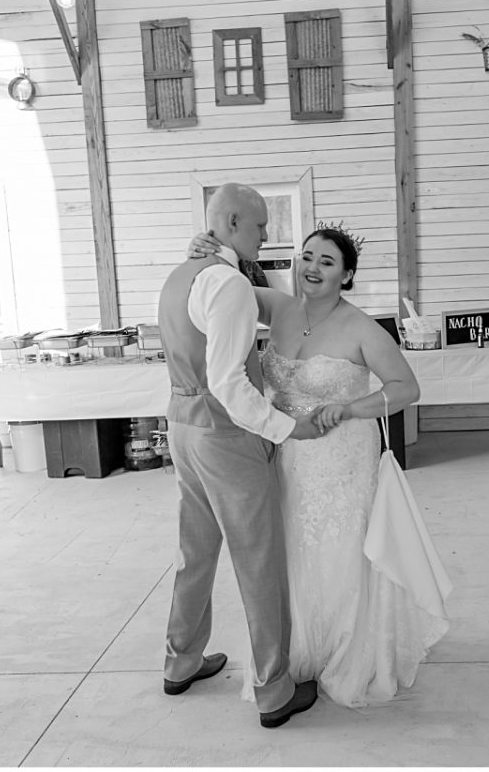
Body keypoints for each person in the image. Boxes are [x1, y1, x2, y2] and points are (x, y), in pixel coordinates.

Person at [186, 223, 448, 707]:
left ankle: (346, 651)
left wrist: (350, 408)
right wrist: (207, 251)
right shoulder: (277, 307)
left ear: (346, 275)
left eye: (327, 262)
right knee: (289, 553)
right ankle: (294, 658)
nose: (311, 268)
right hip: (287, 454)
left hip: (342, 455)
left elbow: (407, 389)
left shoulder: (362, 328)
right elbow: (224, 286)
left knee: (340, 553)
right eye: (306, 257)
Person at [158, 183, 325, 728]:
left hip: (182, 426)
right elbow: (230, 384)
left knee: (196, 549)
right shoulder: (226, 284)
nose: (268, 235)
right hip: (225, 435)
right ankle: (274, 688)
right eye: (259, 226)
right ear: (231, 221)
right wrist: (285, 429)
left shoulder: (179, 274)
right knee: (258, 560)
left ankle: (181, 659)